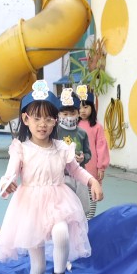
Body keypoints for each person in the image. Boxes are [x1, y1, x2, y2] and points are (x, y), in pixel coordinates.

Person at [0, 82, 103, 274]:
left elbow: (75, 170)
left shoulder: (62, 148)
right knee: (37, 264)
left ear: (56, 120)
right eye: (37, 118)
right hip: (30, 205)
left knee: (61, 232)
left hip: (58, 200)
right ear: (26, 119)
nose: (42, 124)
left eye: (48, 119)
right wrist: (7, 184)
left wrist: (92, 181)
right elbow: (9, 175)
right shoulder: (21, 148)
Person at [55, 87, 92, 217]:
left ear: (78, 113)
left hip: (79, 177)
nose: (69, 117)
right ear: (58, 114)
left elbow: (88, 153)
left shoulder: (82, 133)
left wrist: (83, 158)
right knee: (63, 209)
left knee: (81, 209)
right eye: (65, 114)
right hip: (61, 176)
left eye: (72, 113)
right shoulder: (55, 131)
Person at [77, 86, 110, 219]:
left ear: (92, 108)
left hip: (92, 168)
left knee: (91, 198)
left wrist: (101, 167)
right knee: (77, 197)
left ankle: (89, 222)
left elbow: (101, 147)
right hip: (76, 168)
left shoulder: (96, 127)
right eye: (79, 107)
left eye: (86, 107)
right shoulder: (73, 126)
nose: (82, 111)